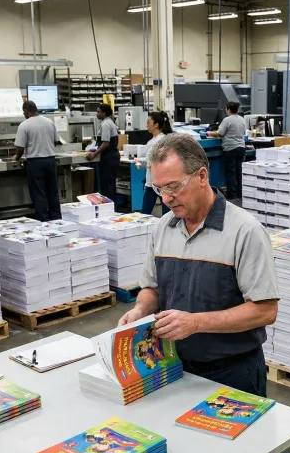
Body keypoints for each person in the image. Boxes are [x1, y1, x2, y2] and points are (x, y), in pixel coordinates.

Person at [117, 134, 279, 396]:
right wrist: (139, 311)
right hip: (174, 368)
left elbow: (265, 311)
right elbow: (152, 288)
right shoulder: (162, 228)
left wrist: (195, 323)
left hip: (233, 373)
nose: (166, 198)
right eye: (159, 189)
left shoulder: (244, 231)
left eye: (173, 187)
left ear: (202, 176)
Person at [14, 100, 64, 221]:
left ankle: (43, 220)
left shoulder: (24, 125)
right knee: (53, 191)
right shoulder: (49, 122)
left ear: (26, 111)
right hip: (51, 161)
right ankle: (56, 219)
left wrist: (16, 158)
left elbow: (20, 148)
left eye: (23, 112)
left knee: (39, 193)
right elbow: (56, 141)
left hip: (35, 163)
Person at [207, 101, 246, 200]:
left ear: (228, 109)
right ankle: (240, 194)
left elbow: (219, 133)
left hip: (230, 149)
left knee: (231, 173)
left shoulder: (227, 120)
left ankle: (232, 196)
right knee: (239, 172)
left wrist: (209, 133)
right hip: (241, 148)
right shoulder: (242, 119)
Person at [141, 111, 172, 216]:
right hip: (159, 181)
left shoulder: (156, 142)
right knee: (167, 213)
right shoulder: (161, 139)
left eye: (148, 122)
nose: (147, 124)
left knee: (145, 213)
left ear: (156, 124)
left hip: (155, 182)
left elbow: (151, 163)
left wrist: (141, 162)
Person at [88, 104, 120, 205]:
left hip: (108, 157)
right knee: (109, 184)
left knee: (107, 185)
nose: (97, 114)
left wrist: (94, 154)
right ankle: (110, 206)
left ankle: (109, 207)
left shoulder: (106, 124)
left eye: (98, 112)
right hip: (110, 156)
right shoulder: (109, 122)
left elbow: (106, 143)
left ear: (104, 113)